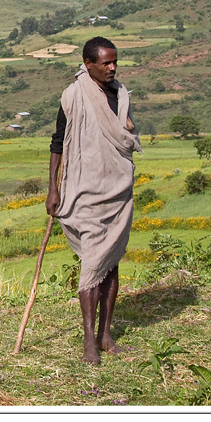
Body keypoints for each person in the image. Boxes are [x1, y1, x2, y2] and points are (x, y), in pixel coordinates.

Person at [45, 36, 141, 365]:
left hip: (116, 191)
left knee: (111, 264)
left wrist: (129, 132)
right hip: (84, 191)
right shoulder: (73, 97)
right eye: (106, 63)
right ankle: (88, 339)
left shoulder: (121, 95)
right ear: (89, 65)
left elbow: (124, 135)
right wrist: (53, 189)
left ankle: (105, 335)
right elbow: (58, 142)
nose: (113, 67)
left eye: (115, 62)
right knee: (91, 265)